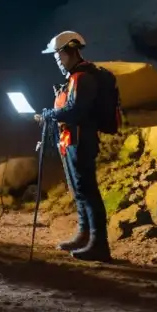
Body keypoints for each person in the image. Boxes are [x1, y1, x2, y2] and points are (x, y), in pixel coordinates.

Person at [35, 30, 111, 262]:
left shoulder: (84, 77)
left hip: (82, 140)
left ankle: (99, 245)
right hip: (72, 139)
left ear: (70, 51)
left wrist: (49, 114)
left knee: (87, 191)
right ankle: (84, 235)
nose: (57, 61)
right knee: (79, 190)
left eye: (59, 56)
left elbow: (75, 110)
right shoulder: (76, 76)